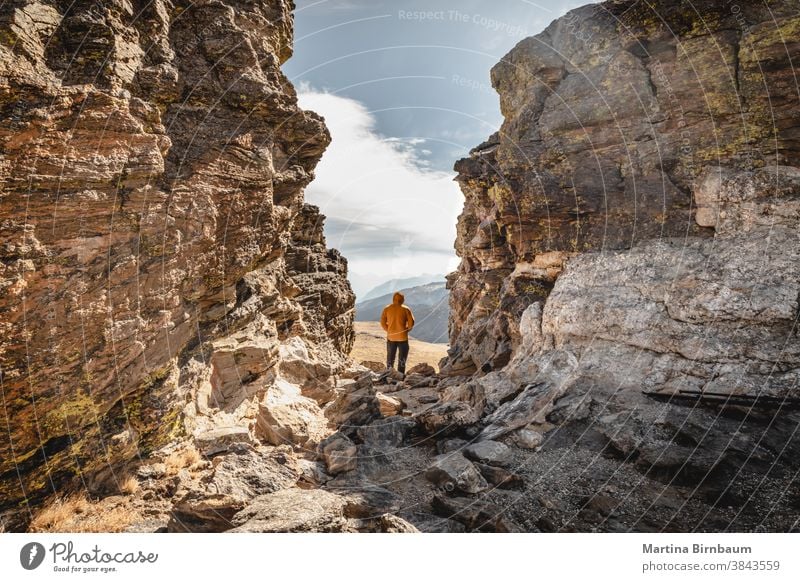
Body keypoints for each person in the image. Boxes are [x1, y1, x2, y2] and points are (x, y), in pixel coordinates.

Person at [380, 291, 415, 375]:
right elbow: (411, 322)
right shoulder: (406, 309)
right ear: (402, 300)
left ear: (393, 299)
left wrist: (388, 330)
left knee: (390, 358)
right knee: (402, 358)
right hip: (402, 337)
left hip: (391, 336)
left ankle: (388, 374)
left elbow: (382, 322)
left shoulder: (387, 308)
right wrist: (406, 330)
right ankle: (400, 375)